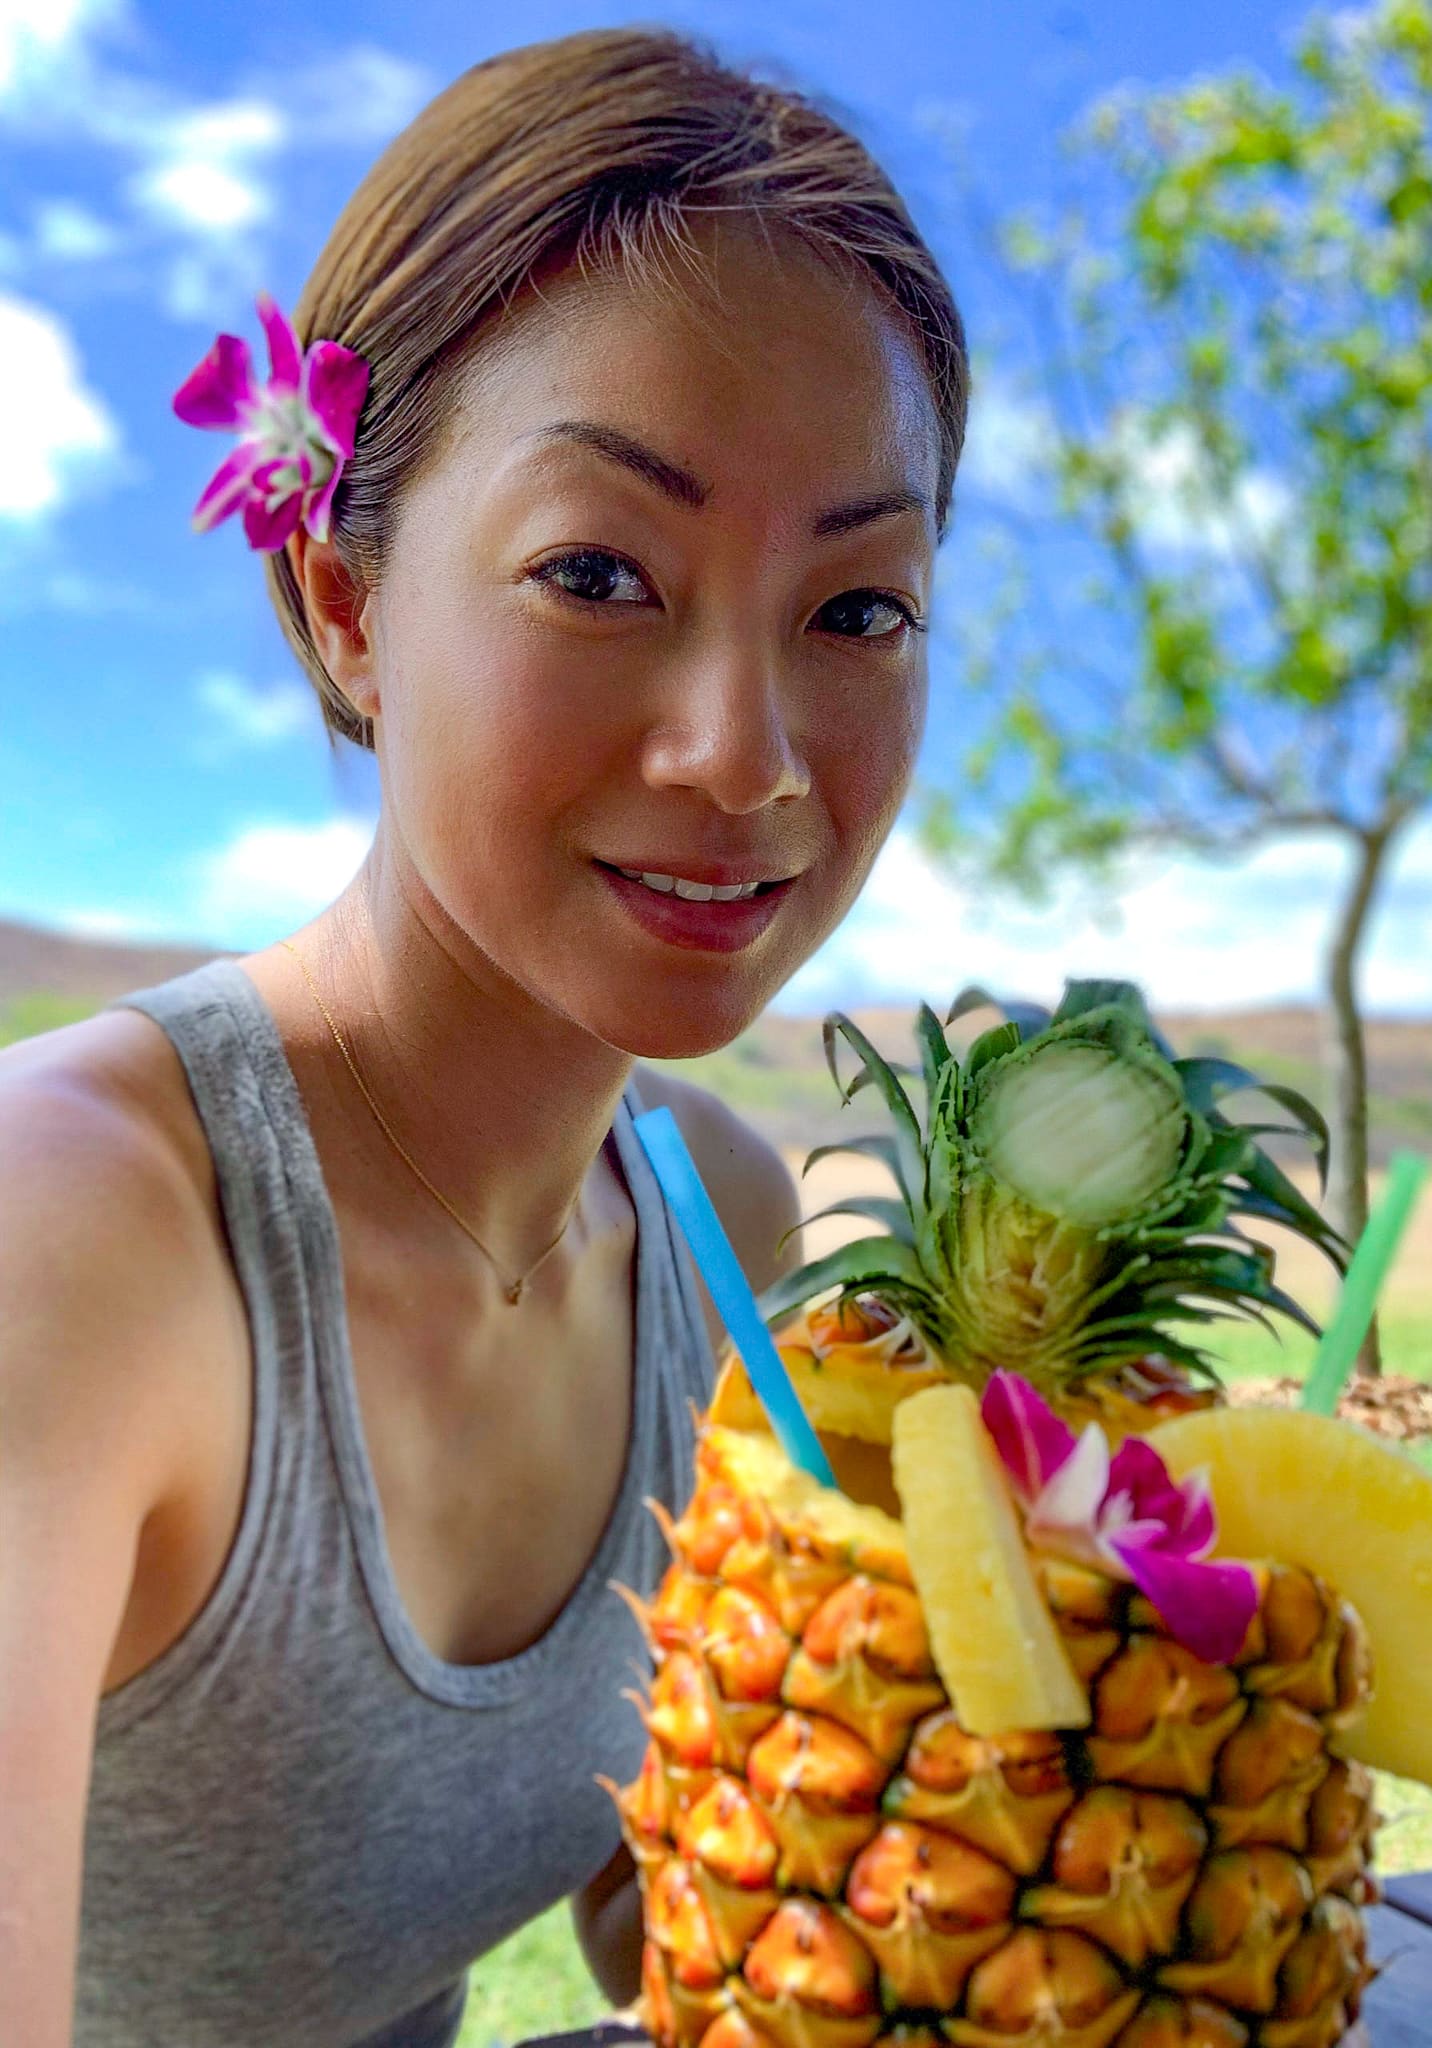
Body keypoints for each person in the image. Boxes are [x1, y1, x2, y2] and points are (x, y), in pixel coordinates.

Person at [0, 24, 968, 2048]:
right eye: (598, 573)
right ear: (344, 598)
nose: (746, 757)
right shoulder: (72, 1230)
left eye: (856, 608)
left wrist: (982, 1788)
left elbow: (674, 1911)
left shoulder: (722, 1218)